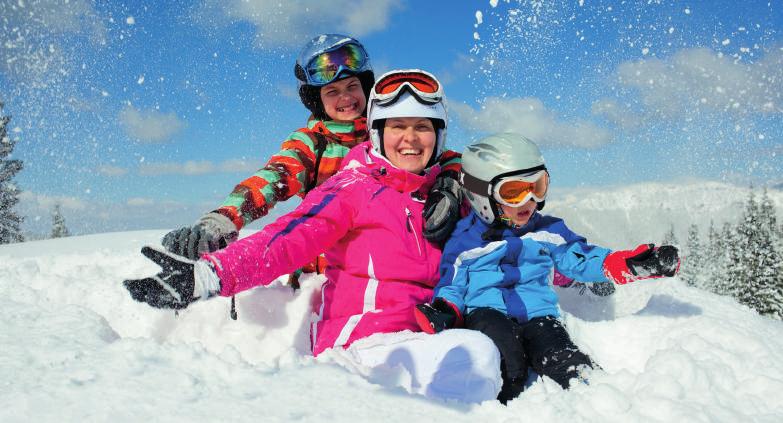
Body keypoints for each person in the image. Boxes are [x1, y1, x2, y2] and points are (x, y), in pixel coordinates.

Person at [123, 70, 502, 403]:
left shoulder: (440, 187)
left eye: (422, 127)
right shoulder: (346, 176)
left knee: (493, 354)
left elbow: (494, 221)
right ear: (377, 130)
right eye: (397, 126)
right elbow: (288, 230)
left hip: (428, 327)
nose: (410, 138)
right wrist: (213, 257)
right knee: (475, 361)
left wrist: (452, 181)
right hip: (367, 335)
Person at [414, 133, 680, 404]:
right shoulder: (465, 240)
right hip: (486, 313)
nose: (529, 201)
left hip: (538, 314)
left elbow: (581, 259)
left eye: (537, 186)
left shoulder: (547, 231)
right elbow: (453, 282)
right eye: (513, 192)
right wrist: (446, 309)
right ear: (482, 194)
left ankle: (597, 401)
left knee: (561, 354)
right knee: (507, 361)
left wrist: (632, 264)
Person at [162, 34, 463, 271]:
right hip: (321, 275)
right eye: (332, 92)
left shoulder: (385, 136)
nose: (346, 98)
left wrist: (449, 184)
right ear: (317, 100)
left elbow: (447, 158)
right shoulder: (311, 144)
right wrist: (224, 219)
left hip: (388, 265)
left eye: (352, 86)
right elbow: (273, 178)